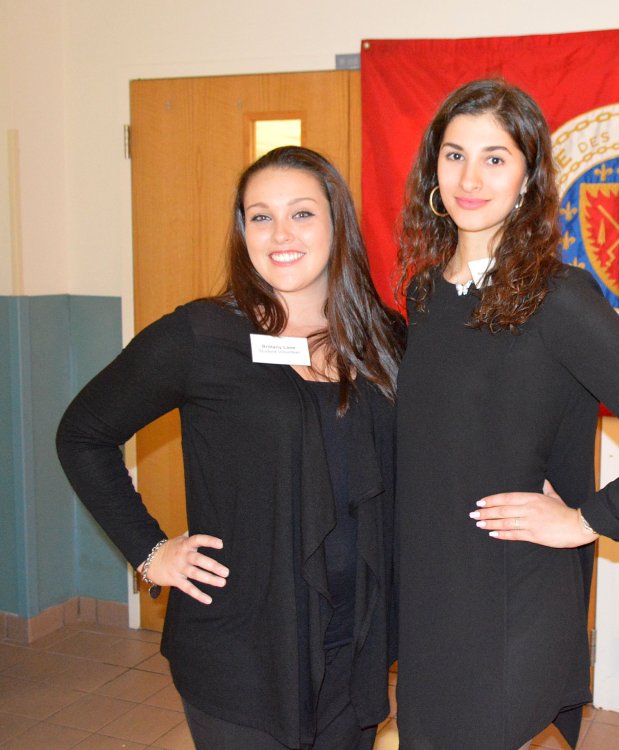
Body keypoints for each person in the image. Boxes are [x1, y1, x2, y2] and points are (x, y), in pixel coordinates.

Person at [394, 79, 619, 750]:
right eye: (454, 155)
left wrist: (584, 520)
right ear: (433, 168)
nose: (470, 177)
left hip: (510, 594)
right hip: (434, 586)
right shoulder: (425, 293)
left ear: (528, 178)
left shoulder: (559, 298)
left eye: (495, 158)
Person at [56, 146, 403, 750]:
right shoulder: (201, 335)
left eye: (301, 213)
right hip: (241, 644)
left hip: (355, 643)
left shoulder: (382, 337)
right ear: (243, 231)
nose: (279, 234)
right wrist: (150, 551)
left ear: (336, 223)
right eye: (260, 216)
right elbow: (82, 434)